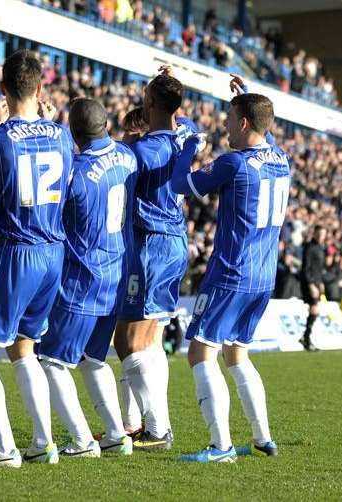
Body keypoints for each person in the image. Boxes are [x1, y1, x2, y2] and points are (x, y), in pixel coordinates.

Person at [0, 50, 73, 468]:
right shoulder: (62, 135)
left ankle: (4, 449)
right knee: (24, 346)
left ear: (3, 89)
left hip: (16, 250)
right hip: (53, 252)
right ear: (41, 88)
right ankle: (43, 443)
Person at [171, 80, 288, 463]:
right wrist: (245, 97)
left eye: (229, 119)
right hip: (263, 275)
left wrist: (187, 145)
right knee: (238, 355)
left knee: (201, 353)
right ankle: (262, 437)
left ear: (242, 124)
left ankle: (220, 446)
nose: (223, 126)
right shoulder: (281, 158)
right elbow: (260, 122)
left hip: (231, 272)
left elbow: (180, 184)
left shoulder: (233, 163)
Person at [36, 97, 137, 458]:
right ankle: (115, 434)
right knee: (93, 359)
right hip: (117, 273)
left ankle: (82, 440)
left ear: (75, 132)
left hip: (83, 278)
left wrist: (49, 129)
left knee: (51, 361)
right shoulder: (128, 156)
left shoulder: (76, 172)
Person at [115, 66, 198, 449]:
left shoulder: (141, 151)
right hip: (175, 242)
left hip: (150, 244)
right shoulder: (185, 133)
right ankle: (133, 425)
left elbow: (121, 161)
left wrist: (130, 135)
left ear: (149, 102)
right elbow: (175, 116)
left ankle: (158, 427)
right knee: (150, 339)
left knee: (129, 343)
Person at [300, 226, 327, 351]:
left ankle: (306, 338)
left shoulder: (320, 248)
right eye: (321, 234)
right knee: (314, 309)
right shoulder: (310, 247)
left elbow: (318, 268)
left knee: (314, 310)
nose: (322, 236)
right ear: (315, 234)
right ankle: (306, 338)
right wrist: (311, 284)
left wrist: (320, 282)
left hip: (316, 282)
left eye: (324, 234)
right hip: (310, 283)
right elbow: (306, 268)